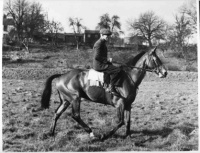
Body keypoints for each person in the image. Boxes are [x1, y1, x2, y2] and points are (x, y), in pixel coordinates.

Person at [93, 28, 122, 97]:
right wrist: (108, 60)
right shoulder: (99, 44)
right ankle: (112, 88)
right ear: (101, 35)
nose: (108, 38)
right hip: (99, 65)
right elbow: (97, 57)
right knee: (117, 70)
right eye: (106, 36)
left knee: (117, 67)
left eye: (108, 36)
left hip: (103, 63)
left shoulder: (103, 43)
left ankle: (108, 84)